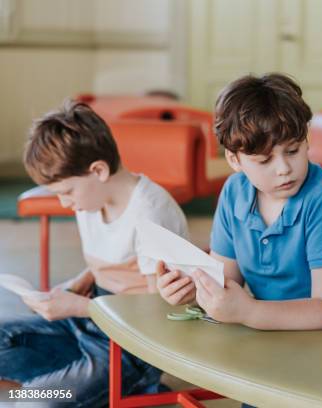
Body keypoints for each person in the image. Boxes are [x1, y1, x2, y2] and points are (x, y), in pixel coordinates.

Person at [157, 73, 322, 338]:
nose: (284, 169)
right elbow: (226, 280)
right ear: (234, 159)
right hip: (278, 334)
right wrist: (196, 291)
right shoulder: (234, 192)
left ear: (306, 140)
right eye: (264, 161)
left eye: (293, 150)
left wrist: (249, 312)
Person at [0, 101, 188, 406]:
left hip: (133, 344)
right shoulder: (90, 199)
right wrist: (76, 285)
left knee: (37, 401)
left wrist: (78, 306)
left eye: (67, 192)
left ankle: (123, 383)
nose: (64, 203)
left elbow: (157, 315)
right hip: (89, 321)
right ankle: (84, 382)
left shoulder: (151, 213)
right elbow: (115, 263)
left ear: (98, 170)